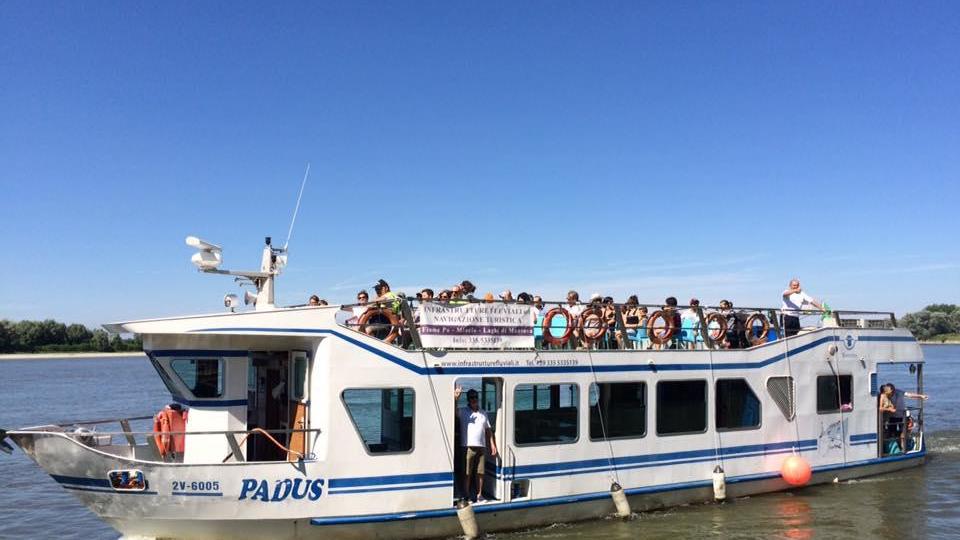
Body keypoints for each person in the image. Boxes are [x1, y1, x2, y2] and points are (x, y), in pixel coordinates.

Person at [454, 386, 498, 502]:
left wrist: (492, 445)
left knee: (480, 472)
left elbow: (488, 430)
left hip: (481, 447)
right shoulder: (463, 411)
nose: (473, 399)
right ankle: (466, 496)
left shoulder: (483, 413)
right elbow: (452, 411)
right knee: (467, 473)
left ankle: (479, 495)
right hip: (467, 447)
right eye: (471, 397)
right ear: (468, 399)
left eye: (475, 397)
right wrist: (455, 399)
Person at [884, 383, 928, 452]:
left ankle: (903, 448)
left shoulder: (899, 392)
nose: (889, 393)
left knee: (903, 433)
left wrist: (921, 396)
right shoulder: (886, 395)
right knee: (892, 433)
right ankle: (893, 449)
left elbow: (910, 395)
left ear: (893, 389)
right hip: (892, 417)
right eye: (888, 391)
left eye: (890, 391)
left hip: (902, 416)